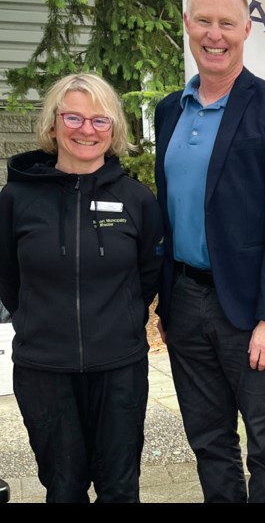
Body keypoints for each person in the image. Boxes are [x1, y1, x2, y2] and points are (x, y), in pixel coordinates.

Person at [153, 0, 265, 503]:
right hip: (186, 300)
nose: (214, 34)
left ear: (246, 29)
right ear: (186, 25)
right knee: (209, 439)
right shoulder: (170, 109)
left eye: (226, 23)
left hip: (250, 312)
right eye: (203, 21)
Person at [0, 73, 163, 502]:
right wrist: (38, 320)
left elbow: (148, 273)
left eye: (99, 120)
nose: (86, 130)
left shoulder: (136, 200)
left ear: (114, 130)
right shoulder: (17, 198)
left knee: (120, 489)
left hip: (119, 368)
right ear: (53, 125)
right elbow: (8, 277)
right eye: (73, 117)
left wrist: (121, 318)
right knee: (63, 488)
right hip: (44, 370)